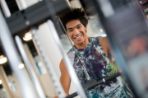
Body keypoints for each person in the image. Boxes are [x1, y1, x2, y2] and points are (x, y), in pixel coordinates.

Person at [59, 8, 134, 98]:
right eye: (70, 30)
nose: (75, 32)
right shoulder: (68, 59)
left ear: (85, 27)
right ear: (67, 33)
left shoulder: (103, 42)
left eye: (78, 27)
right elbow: (63, 92)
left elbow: (129, 59)